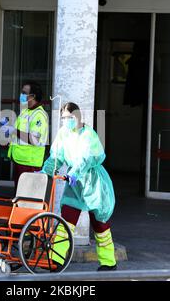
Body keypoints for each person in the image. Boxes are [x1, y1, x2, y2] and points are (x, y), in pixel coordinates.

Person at [40, 102, 117, 271]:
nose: (66, 121)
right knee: (66, 220)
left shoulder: (89, 134)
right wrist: (45, 172)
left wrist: (75, 172)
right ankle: (56, 259)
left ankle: (108, 262)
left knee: (100, 224)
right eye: (63, 118)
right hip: (75, 184)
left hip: (93, 182)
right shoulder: (63, 134)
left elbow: (87, 158)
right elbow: (56, 157)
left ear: (78, 116)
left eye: (69, 117)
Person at [1, 81, 49, 188]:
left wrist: (13, 131)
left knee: (27, 198)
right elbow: (19, 134)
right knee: (19, 197)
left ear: (32, 96)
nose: (21, 95)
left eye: (24, 93)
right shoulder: (25, 112)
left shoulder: (39, 115)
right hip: (20, 161)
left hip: (30, 164)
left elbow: (34, 140)